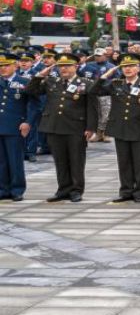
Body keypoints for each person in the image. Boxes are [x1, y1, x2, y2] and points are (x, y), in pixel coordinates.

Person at [25, 53, 98, 203]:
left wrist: (91, 127)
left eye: (67, 66)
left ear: (75, 67)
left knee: (76, 160)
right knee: (60, 161)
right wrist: (39, 75)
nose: (63, 69)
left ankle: (76, 190)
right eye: (60, 66)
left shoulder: (86, 83)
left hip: (76, 127)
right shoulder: (51, 81)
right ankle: (63, 189)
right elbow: (30, 91)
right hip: (54, 126)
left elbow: (92, 107)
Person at [94, 54, 140, 203]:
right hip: (120, 128)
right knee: (123, 162)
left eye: (131, 66)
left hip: (139, 129)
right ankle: (126, 191)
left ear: (138, 68)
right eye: (124, 67)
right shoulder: (115, 83)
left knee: (139, 162)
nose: (128, 69)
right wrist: (105, 75)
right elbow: (94, 90)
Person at [0, 52, 38, 201]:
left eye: (6, 66)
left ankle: (17, 189)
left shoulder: (24, 82)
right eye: (1, 66)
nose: (3, 69)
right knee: (1, 161)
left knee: (15, 160)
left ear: (15, 66)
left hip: (15, 126)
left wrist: (28, 122)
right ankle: (3, 189)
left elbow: (34, 104)